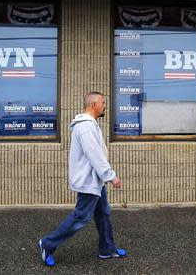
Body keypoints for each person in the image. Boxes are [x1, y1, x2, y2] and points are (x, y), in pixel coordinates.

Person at [37, 91, 126, 267]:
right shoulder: (85, 126)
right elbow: (94, 155)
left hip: (95, 179)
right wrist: (111, 176)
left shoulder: (89, 124)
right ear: (93, 105)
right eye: (102, 102)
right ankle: (47, 244)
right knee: (81, 217)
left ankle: (107, 248)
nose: (104, 106)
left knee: (103, 214)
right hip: (89, 180)